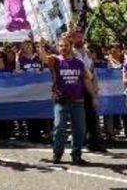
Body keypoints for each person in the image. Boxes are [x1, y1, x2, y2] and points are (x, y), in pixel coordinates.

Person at [39, 33, 97, 165]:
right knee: (59, 128)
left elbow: (87, 80)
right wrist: (41, 45)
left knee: (80, 130)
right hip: (61, 102)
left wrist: (93, 97)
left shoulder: (79, 63)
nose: (63, 48)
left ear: (70, 46)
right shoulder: (55, 60)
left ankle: (76, 155)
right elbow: (44, 58)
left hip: (78, 102)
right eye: (60, 46)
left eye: (66, 45)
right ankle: (57, 154)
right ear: (57, 47)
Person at [70, 29, 106, 152]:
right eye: (76, 37)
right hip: (77, 87)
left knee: (92, 115)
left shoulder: (87, 52)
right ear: (72, 38)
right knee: (79, 117)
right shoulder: (70, 52)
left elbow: (92, 70)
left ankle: (94, 142)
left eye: (81, 37)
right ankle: (79, 143)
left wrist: (95, 88)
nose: (79, 39)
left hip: (89, 86)